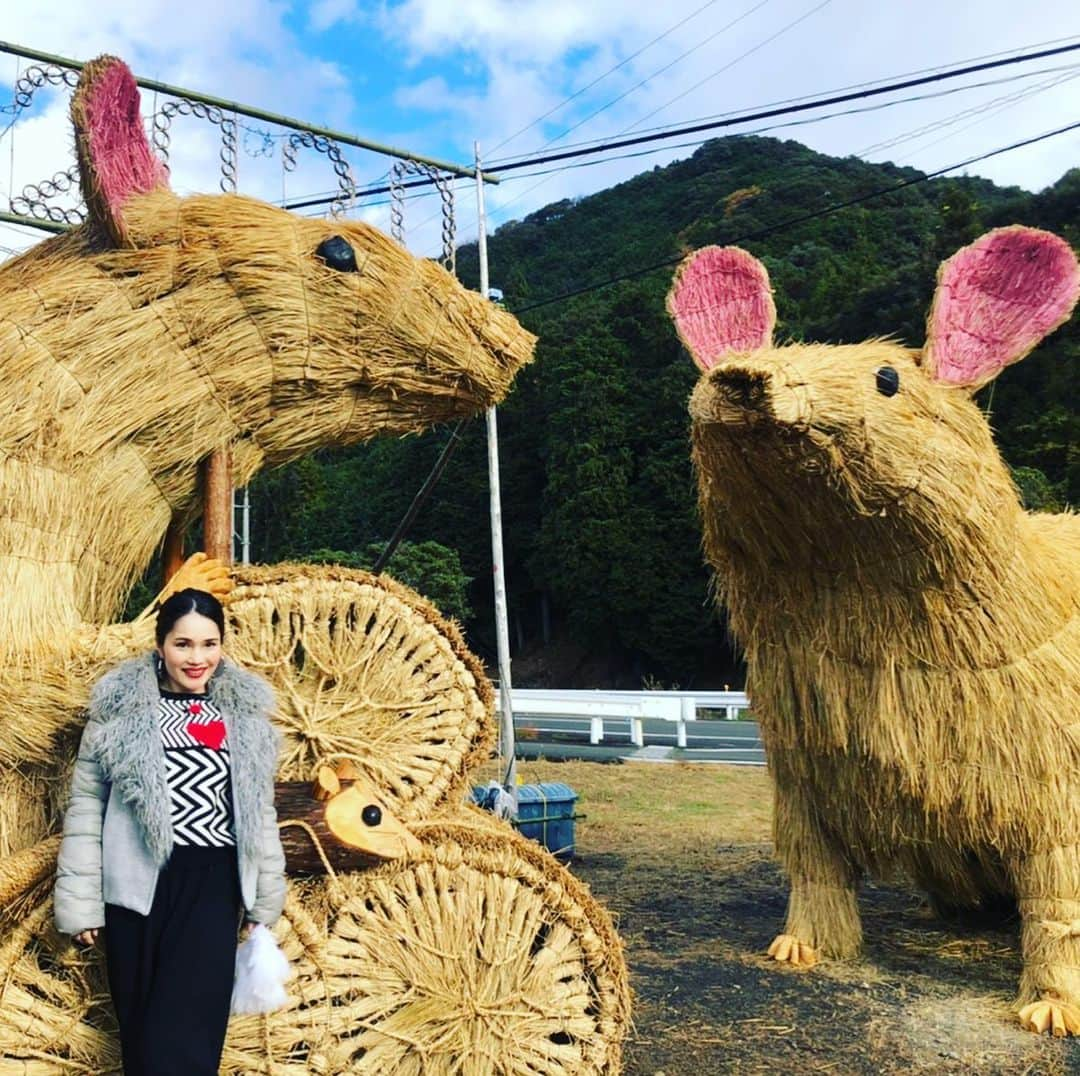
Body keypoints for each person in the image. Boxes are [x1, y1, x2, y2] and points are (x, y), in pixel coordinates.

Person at [54, 587, 286, 1076]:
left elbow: (259, 812)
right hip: (136, 892)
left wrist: (264, 899)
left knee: (182, 1042)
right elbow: (86, 808)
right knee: (141, 1040)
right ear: (160, 645)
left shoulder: (243, 718)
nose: (197, 657)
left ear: (222, 645)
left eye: (209, 643)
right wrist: (80, 904)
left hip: (213, 888)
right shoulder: (119, 714)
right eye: (183, 644)